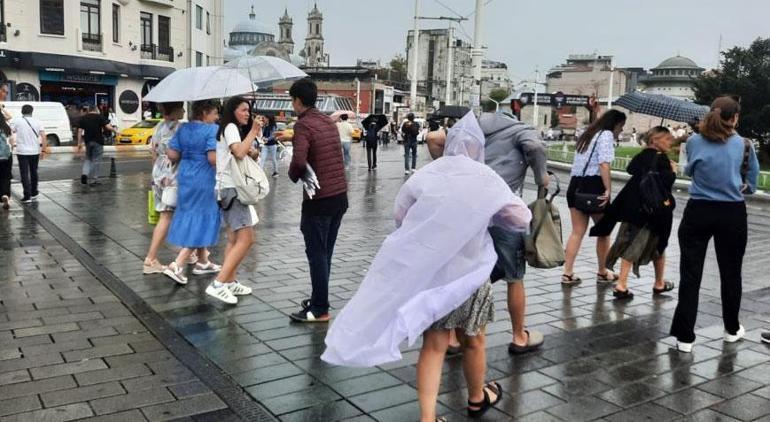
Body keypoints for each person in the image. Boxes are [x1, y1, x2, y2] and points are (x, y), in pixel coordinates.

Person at [322, 113, 532, 421]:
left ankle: (428, 417)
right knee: (474, 340)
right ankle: (477, 398)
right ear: (477, 147)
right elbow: (520, 219)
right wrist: (489, 214)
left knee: (433, 346)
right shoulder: (486, 177)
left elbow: (401, 215)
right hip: (472, 274)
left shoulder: (427, 174)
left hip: (433, 276)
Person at [670, 96, 759, 353]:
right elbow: (751, 184)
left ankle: (685, 337)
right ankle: (731, 328)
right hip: (731, 212)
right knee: (731, 273)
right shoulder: (744, 145)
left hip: (698, 210)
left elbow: (689, 171)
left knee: (690, 275)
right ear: (735, 118)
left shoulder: (695, 140)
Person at [477, 106, 549, 355]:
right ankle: (519, 336)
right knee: (515, 276)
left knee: (471, 271)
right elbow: (536, 148)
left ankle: (455, 336)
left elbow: (438, 141)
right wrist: (542, 177)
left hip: (472, 208)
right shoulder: (520, 130)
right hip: (504, 209)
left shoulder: (474, 128)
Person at [590, 126, 678, 299]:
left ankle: (656, 282)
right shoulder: (662, 160)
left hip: (633, 209)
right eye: (667, 139)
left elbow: (630, 169)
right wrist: (673, 171)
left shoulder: (641, 157)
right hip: (653, 212)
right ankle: (624, 284)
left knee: (632, 242)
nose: (670, 142)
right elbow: (666, 183)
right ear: (655, 141)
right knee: (652, 245)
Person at [287, 79, 348, 322]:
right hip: (339, 197)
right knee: (325, 253)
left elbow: (300, 162)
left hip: (319, 199)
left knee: (316, 253)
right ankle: (318, 298)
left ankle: (319, 308)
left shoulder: (303, 126)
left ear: (298, 101)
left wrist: (293, 175)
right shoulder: (326, 121)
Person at [561, 109, 627, 286]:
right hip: (593, 186)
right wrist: (608, 189)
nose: (621, 130)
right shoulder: (605, 135)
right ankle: (603, 271)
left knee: (577, 232)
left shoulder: (588, 134)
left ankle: (567, 273)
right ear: (615, 124)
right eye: (621, 127)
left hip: (576, 186)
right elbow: (604, 164)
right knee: (604, 231)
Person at [162, 100, 223, 288]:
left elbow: (172, 154)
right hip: (204, 178)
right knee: (203, 219)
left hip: (186, 176)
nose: (217, 117)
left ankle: (203, 261)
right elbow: (213, 158)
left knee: (194, 216)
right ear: (204, 113)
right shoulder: (212, 130)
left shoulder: (184, 128)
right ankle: (177, 264)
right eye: (214, 113)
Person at [212, 96, 262, 304]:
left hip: (228, 189)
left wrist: (252, 147)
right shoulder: (230, 127)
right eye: (243, 110)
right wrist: (254, 131)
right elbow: (239, 152)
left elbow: (243, 153)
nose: (247, 114)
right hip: (232, 190)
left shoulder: (231, 129)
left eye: (248, 111)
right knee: (246, 239)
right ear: (233, 111)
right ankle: (219, 283)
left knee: (233, 239)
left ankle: (230, 280)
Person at [143, 102, 185, 275]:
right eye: (181, 107)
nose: (183, 110)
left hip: (158, 172)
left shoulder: (158, 127)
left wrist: (155, 176)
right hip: (172, 174)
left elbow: (153, 152)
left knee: (174, 213)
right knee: (166, 216)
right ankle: (150, 259)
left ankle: (192, 252)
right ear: (174, 109)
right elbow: (177, 154)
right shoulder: (179, 128)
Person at [11, 105, 48, 203]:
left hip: (22, 151)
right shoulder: (38, 122)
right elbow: (44, 137)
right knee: (34, 171)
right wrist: (43, 150)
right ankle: (34, 192)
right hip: (34, 151)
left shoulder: (18, 121)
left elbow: (11, 131)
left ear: (22, 112)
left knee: (24, 173)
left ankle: (27, 196)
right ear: (32, 112)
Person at [77, 106, 117, 186]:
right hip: (98, 141)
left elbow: (80, 130)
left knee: (88, 159)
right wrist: (115, 130)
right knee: (96, 160)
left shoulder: (84, 118)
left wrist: (79, 143)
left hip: (88, 141)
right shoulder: (99, 117)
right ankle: (94, 180)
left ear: (89, 110)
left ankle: (85, 174)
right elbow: (107, 126)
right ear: (96, 110)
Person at [0, 112, 12, 210]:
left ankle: (1, 196)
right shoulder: (6, 127)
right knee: (6, 176)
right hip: (7, 156)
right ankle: (6, 195)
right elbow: (11, 142)